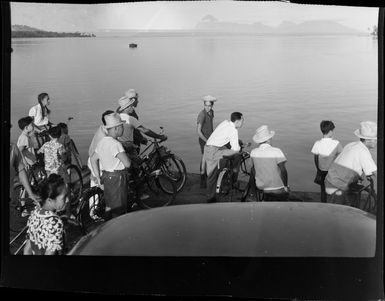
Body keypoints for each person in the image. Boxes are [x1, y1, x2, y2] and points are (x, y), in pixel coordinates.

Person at [325, 121, 377, 206]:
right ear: (369, 140)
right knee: (338, 213)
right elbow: (376, 173)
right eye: (375, 139)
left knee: (339, 209)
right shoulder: (363, 151)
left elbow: (349, 161)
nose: (376, 141)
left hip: (331, 179)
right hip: (338, 185)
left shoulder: (352, 144)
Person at [90, 113, 131, 217]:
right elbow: (127, 164)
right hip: (118, 179)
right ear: (116, 128)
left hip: (106, 177)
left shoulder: (102, 142)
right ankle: (118, 230)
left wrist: (98, 177)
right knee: (119, 209)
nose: (123, 128)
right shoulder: (116, 144)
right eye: (122, 126)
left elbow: (93, 158)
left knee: (109, 205)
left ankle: (107, 227)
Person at [203, 112, 244, 203]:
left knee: (211, 175)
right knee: (237, 154)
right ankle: (211, 198)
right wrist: (239, 147)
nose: (243, 122)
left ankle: (211, 194)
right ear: (237, 121)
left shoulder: (225, 122)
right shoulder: (234, 130)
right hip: (213, 151)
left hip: (208, 148)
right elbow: (235, 148)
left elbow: (223, 137)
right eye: (242, 120)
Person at [23, 174, 68, 255]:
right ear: (50, 200)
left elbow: (27, 250)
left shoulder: (34, 214)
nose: (67, 200)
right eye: (64, 197)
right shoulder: (55, 222)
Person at [116, 91, 167, 157]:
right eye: (131, 106)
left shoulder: (116, 117)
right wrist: (160, 136)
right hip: (129, 147)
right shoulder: (130, 118)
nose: (133, 107)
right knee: (137, 165)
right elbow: (145, 130)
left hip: (119, 146)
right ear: (127, 107)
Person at [250, 125, 289, 201]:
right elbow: (283, 171)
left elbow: (253, 171)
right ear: (268, 140)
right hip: (277, 189)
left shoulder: (253, 152)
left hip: (262, 187)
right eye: (271, 138)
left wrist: (253, 192)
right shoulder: (277, 151)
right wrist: (285, 186)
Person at [311, 121, 343, 203]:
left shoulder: (317, 143)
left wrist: (318, 169)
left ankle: (323, 204)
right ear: (331, 131)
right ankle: (332, 205)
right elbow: (342, 156)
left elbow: (316, 159)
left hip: (321, 170)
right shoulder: (336, 143)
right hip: (332, 171)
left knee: (322, 189)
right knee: (333, 190)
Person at [196, 95, 216, 188]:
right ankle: (202, 179)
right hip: (204, 140)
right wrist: (207, 141)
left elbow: (210, 126)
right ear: (203, 105)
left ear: (212, 105)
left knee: (209, 158)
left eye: (209, 105)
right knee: (204, 159)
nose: (207, 107)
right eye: (206, 105)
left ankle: (208, 176)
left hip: (210, 139)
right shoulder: (202, 115)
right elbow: (198, 132)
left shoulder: (211, 112)